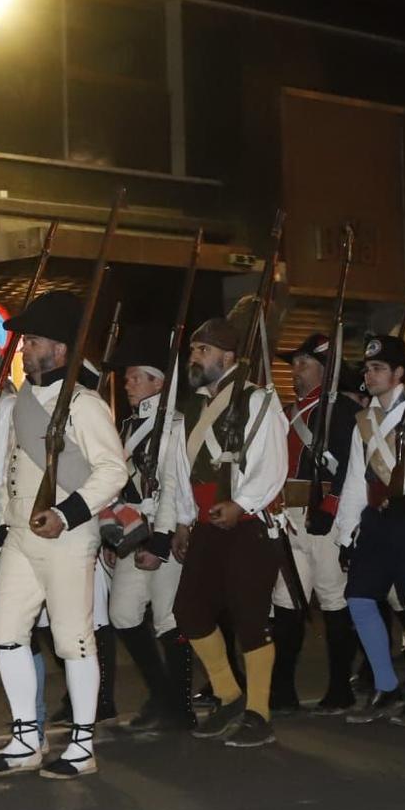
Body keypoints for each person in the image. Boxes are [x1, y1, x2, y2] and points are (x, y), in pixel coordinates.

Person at [0, 294, 126, 779]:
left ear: (59, 349)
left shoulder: (83, 403)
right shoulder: (20, 404)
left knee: (74, 641)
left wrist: (67, 512)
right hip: (20, 533)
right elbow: (11, 471)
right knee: (5, 633)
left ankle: (82, 744)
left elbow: (112, 470)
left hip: (67, 536)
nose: (23, 348)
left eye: (32, 340)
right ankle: (25, 739)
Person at [169, 300, 288, 749]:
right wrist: (183, 520)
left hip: (247, 524)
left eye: (203, 349)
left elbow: (272, 463)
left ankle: (259, 712)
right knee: (190, 611)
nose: (195, 357)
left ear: (228, 357)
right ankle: (229, 695)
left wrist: (242, 503)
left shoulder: (258, 399)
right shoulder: (191, 407)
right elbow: (184, 471)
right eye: (194, 350)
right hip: (205, 522)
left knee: (251, 618)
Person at [333, 334, 405, 726]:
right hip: (375, 521)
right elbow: (353, 481)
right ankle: (385, 685)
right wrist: (346, 535)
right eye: (367, 368)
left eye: (379, 368)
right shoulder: (363, 421)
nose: (371, 374)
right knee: (360, 599)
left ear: (399, 373)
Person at [97, 324, 198, 734]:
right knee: (122, 614)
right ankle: (161, 694)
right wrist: (111, 534)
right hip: (133, 530)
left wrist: (160, 540)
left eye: (136, 376)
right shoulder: (126, 426)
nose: (128, 383)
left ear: (159, 382)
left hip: (164, 528)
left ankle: (180, 705)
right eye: (127, 377)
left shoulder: (175, 425)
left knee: (168, 620)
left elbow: (173, 484)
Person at [270, 332, 364, 718]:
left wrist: (330, 508)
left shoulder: (341, 411)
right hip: (290, 518)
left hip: (324, 518)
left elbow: (350, 466)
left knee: (333, 600)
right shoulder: (289, 411)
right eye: (294, 365)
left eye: (304, 364)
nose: (296, 372)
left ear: (326, 371)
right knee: (286, 602)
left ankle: (340, 687)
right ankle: (282, 689)